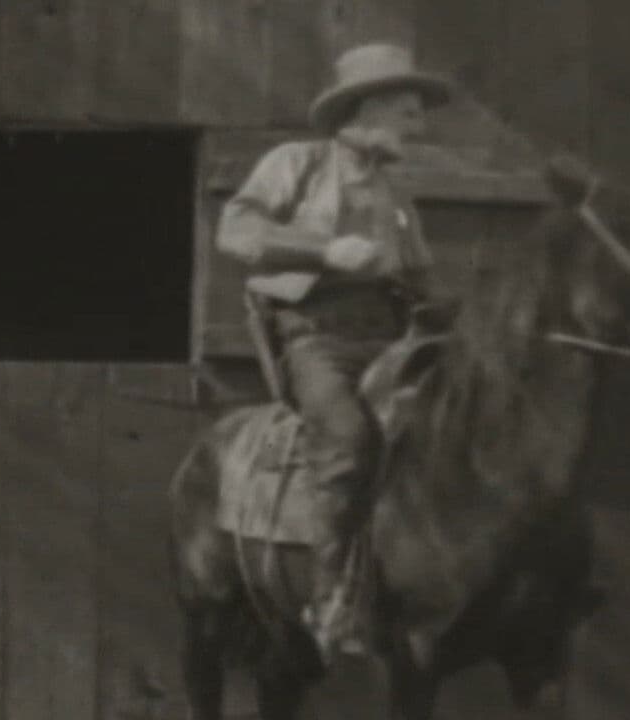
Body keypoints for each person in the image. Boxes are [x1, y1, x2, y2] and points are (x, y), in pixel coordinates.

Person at [216, 43, 453, 661]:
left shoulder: (398, 200)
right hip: (317, 339)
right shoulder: (296, 163)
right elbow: (235, 230)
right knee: (348, 437)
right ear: (368, 108)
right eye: (408, 113)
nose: (418, 128)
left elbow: (425, 283)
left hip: (393, 341)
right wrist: (324, 251)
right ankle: (330, 600)